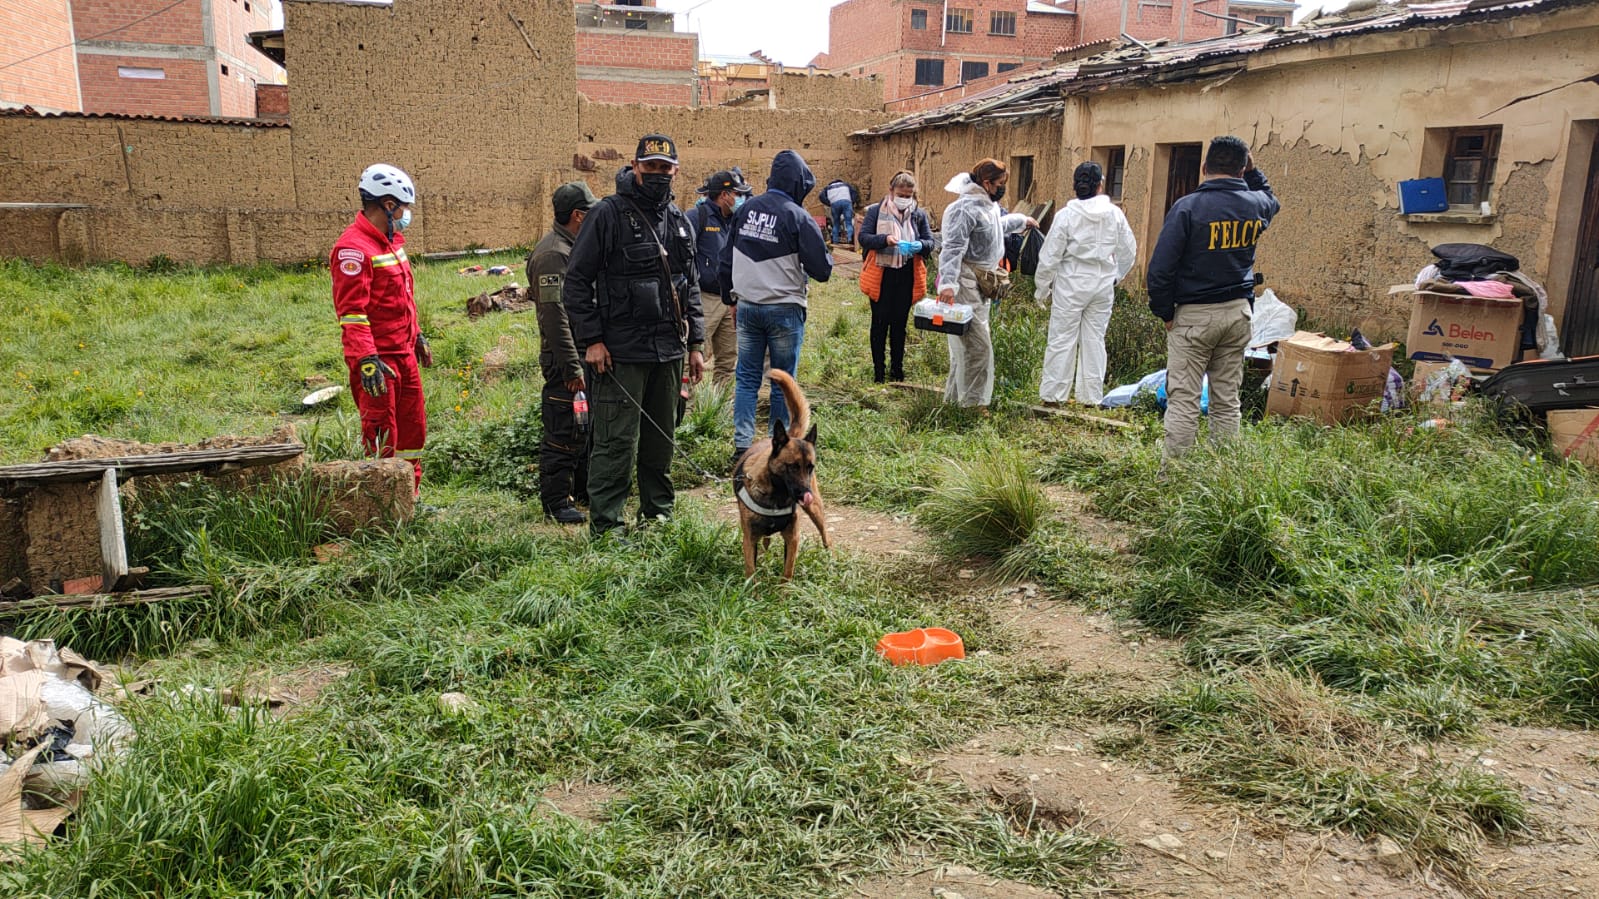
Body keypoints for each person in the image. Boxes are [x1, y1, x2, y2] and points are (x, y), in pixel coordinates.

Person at [563, 134, 705, 536]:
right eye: (651, 167)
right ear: (636, 166)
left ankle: (658, 516)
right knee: (615, 443)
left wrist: (695, 345)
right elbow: (575, 283)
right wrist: (591, 339)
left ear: (675, 170)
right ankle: (608, 527)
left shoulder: (679, 221)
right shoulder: (607, 215)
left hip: (668, 352)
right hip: (620, 353)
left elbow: (689, 285)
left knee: (661, 441)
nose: (658, 175)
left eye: (665, 168)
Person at [1147, 135, 1280, 461]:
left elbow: (1160, 270)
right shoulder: (1255, 205)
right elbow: (1271, 198)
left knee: (1184, 399)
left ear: (1204, 167)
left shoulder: (1188, 208)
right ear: (1242, 167)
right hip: (1237, 314)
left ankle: (1174, 478)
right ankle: (1220, 475)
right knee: (1226, 399)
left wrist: (1165, 312)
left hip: (1194, 316)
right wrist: (1254, 171)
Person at [720, 150, 833, 467]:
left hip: (748, 307)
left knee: (746, 377)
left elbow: (725, 259)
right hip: (784, 309)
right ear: (799, 184)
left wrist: (730, 299)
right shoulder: (797, 216)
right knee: (782, 379)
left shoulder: (746, 210)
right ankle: (775, 446)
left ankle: (742, 446)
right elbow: (822, 270)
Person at [330, 163, 431, 496]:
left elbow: (402, 297)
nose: (405, 215)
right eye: (403, 208)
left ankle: (409, 497)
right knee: (381, 433)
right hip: (378, 362)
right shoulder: (353, 250)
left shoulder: (391, 243)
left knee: (413, 431)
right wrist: (366, 358)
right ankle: (383, 505)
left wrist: (416, 334)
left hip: (404, 354)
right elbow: (352, 313)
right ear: (389, 205)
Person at [1035, 161, 1137, 406]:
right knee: (1094, 340)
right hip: (1102, 285)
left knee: (1061, 339)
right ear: (1100, 185)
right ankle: (1090, 397)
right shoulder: (1114, 214)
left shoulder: (1066, 216)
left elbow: (1049, 257)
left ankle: (1053, 397)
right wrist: (1116, 276)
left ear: (1075, 186)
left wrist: (1042, 288)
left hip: (1070, 284)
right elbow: (1129, 251)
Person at [527, 181, 599, 525]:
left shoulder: (572, 247)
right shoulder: (553, 254)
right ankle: (556, 501)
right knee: (563, 429)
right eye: (590, 212)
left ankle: (581, 490)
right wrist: (572, 368)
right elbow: (554, 317)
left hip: (581, 354)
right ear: (577, 215)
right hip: (564, 360)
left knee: (584, 427)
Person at [936, 159, 1035, 409]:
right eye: (1000, 184)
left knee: (965, 346)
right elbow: (952, 248)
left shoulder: (985, 205)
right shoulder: (963, 209)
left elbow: (993, 228)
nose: (1002, 188)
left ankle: (955, 401)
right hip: (964, 280)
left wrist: (1021, 221)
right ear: (987, 183)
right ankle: (973, 406)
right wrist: (947, 284)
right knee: (977, 346)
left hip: (981, 282)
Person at [858, 171, 934, 383]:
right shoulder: (875, 211)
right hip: (882, 275)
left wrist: (920, 245)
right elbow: (863, 237)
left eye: (909, 195)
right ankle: (878, 372)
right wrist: (885, 239)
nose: (905, 199)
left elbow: (930, 241)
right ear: (891, 191)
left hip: (907, 274)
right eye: (901, 194)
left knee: (900, 324)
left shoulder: (918, 214)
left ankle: (897, 371)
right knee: (880, 323)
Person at [685, 170, 753, 386]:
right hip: (705, 299)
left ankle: (719, 411)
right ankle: (688, 410)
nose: (741, 199)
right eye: (737, 193)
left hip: (731, 300)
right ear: (724, 195)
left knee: (728, 361)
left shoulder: (737, 220)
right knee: (694, 358)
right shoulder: (697, 217)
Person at [821, 177, 860, 245]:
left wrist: (829, 203)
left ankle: (835, 241)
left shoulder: (828, 187)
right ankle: (850, 239)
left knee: (836, 223)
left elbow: (821, 196)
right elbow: (854, 193)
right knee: (848, 222)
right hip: (846, 203)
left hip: (835, 204)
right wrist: (852, 202)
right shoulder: (845, 185)